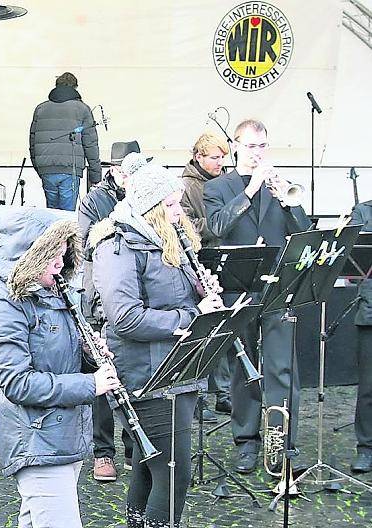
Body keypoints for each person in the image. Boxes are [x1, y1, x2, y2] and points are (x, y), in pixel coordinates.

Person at [92, 163, 222, 528]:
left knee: (149, 468)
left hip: (176, 366)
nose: (179, 211)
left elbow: (172, 297)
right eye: (170, 204)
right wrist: (192, 316)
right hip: (146, 374)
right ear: (150, 207)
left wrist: (201, 292)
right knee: (173, 472)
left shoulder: (164, 239)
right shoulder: (117, 246)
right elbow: (125, 318)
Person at [0, 208, 120, 528]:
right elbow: (18, 383)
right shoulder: (0, 305)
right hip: (36, 436)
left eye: (62, 252)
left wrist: (88, 353)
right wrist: (91, 384)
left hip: (63, 433)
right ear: (27, 257)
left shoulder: (53, 292)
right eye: (51, 254)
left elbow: (58, 355)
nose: (60, 261)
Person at [203, 119, 311, 474]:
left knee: (282, 368)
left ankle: (282, 443)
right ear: (236, 147)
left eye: (262, 145)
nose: (257, 152)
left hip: (278, 288)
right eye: (250, 146)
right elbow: (217, 226)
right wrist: (250, 190)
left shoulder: (278, 185)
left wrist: (288, 202)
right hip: (239, 288)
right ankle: (246, 441)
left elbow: (304, 232)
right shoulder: (218, 187)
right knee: (243, 367)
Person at [79, 141, 148, 482]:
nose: (128, 176)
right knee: (102, 380)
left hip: (135, 293)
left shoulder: (144, 194)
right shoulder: (93, 200)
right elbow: (85, 245)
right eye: (124, 170)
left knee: (134, 375)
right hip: (100, 295)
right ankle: (102, 452)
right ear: (115, 170)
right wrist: (121, 220)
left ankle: (135, 448)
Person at [180, 133, 233, 421]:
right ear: (198, 157)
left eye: (222, 157)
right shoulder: (186, 186)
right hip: (200, 261)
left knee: (223, 328)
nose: (219, 162)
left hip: (223, 261)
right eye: (214, 157)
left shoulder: (224, 182)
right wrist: (218, 222)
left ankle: (224, 393)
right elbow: (187, 225)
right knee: (201, 332)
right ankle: (198, 398)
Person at [29, 72, 101, 211]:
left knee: (52, 213)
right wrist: (95, 175)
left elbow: (32, 142)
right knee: (67, 215)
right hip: (70, 168)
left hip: (47, 169)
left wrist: (39, 167)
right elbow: (91, 144)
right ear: (75, 87)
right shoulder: (82, 109)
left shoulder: (40, 109)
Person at [349, 198, 372, 473]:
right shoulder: (364, 211)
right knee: (369, 386)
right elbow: (352, 261)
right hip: (371, 309)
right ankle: (366, 447)